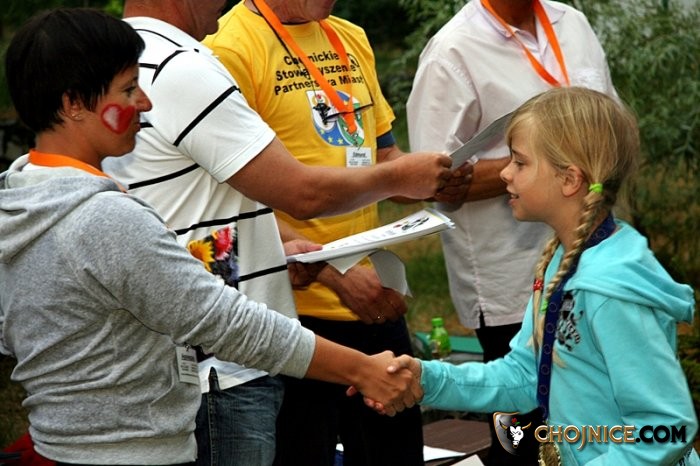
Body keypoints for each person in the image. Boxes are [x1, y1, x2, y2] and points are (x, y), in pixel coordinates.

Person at [0, 7, 422, 464]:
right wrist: (363, 369)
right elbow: (226, 323)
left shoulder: (21, 198)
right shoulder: (104, 218)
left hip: (65, 444)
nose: (145, 103)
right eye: (128, 89)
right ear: (72, 104)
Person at [101, 1, 457, 465]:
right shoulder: (188, 63)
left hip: (236, 343)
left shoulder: (133, 59)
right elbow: (297, 192)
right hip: (230, 361)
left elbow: (206, 203)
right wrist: (390, 187)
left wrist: (285, 248)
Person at [201, 2, 472, 465]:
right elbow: (229, 197)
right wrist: (334, 273)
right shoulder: (227, 49)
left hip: (372, 301)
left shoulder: (350, 35)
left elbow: (380, 161)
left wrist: (432, 179)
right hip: (291, 316)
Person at [389, 86, 700, 466]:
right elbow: (525, 376)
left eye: (520, 162)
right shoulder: (562, 261)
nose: (504, 173)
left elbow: (666, 428)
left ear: (569, 179)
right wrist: (427, 378)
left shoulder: (610, 292)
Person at [406, 1, 617, 463]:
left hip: (595, 269)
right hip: (511, 285)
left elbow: (612, 125)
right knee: (522, 441)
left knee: (597, 426)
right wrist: (548, 161)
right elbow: (431, 179)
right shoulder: (452, 51)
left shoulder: (572, 23)